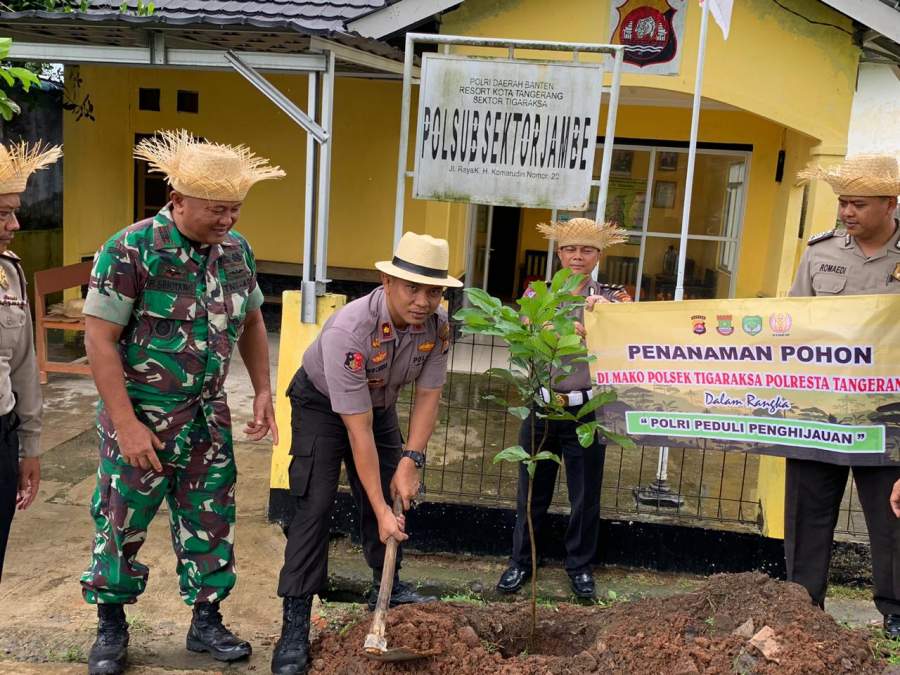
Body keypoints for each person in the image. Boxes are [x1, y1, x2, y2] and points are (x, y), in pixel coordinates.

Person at [79, 130, 283, 675]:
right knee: (121, 519)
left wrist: (263, 390)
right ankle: (110, 626)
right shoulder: (130, 249)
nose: (227, 221)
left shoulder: (236, 251)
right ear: (178, 201)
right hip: (141, 414)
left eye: (235, 210)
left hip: (208, 417)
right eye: (217, 210)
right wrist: (125, 424)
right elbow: (98, 339)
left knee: (211, 517)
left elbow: (253, 320)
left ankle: (206, 621)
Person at [271, 232, 461, 675]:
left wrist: (412, 460)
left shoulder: (439, 325)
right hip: (321, 404)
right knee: (315, 503)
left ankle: (387, 587)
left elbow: (429, 396)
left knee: (396, 494)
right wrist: (378, 508)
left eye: (433, 291)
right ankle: (295, 620)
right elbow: (358, 434)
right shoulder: (350, 331)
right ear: (386, 282)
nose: (422, 301)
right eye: (412, 288)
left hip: (378, 404)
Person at [789, 154, 900, 637]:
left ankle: (895, 611)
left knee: (891, 515)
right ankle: (802, 605)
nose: (847, 212)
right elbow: (792, 326)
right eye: (842, 203)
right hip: (821, 409)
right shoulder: (820, 252)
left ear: (890, 204)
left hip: (888, 414)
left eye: (858, 204)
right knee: (808, 510)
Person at [496, 218, 630, 600]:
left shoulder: (613, 295)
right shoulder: (538, 293)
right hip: (542, 407)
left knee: (585, 496)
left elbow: (631, 323)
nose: (577, 256)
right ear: (558, 253)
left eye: (587, 249)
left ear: (599, 255)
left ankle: (580, 567)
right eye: (570, 249)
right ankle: (522, 561)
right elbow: (525, 326)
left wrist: (607, 313)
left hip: (587, 411)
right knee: (531, 491)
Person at [0, 141, 61, 582]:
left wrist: (29, 447)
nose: (14, 225)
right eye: (2, 214)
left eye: (14, 211)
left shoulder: (9, 272)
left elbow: (22, 364)